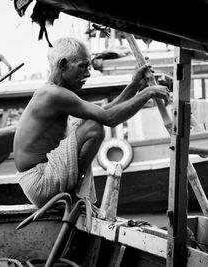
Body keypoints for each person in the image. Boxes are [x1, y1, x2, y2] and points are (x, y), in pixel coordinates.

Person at [13, 37, 169, 208]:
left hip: (39, 179)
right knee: (94, 128)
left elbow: (103, 113)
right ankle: (74, 190)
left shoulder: (54, 91)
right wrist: (147, 93)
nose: (88, 73)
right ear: (63, 65)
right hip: (40, 181)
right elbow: (110, 119)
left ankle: (71, 191)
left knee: (90, 122)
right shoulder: (53, 94)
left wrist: (133, 86)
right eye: (83, 66)